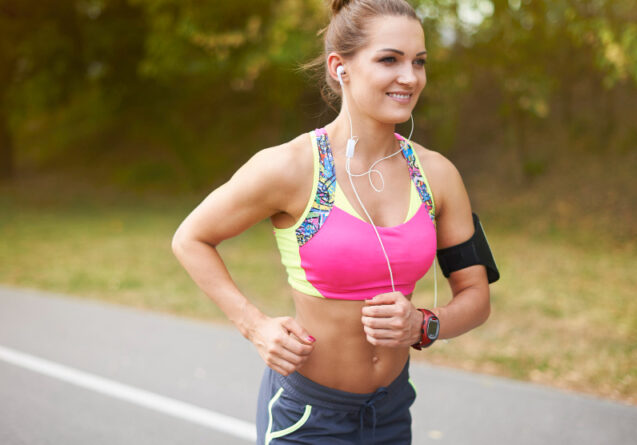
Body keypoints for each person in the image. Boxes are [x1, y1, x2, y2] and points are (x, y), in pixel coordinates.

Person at [171, 0, 497, 443]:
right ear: (339, 67)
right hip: (307, 416)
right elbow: (191, 238)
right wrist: (255, 325)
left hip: (391, 413)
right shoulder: (289, 167)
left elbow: (476, 296)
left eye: (419, 62)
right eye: (389, 59)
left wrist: (424, 324)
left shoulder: (437, 174)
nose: (410, 77)